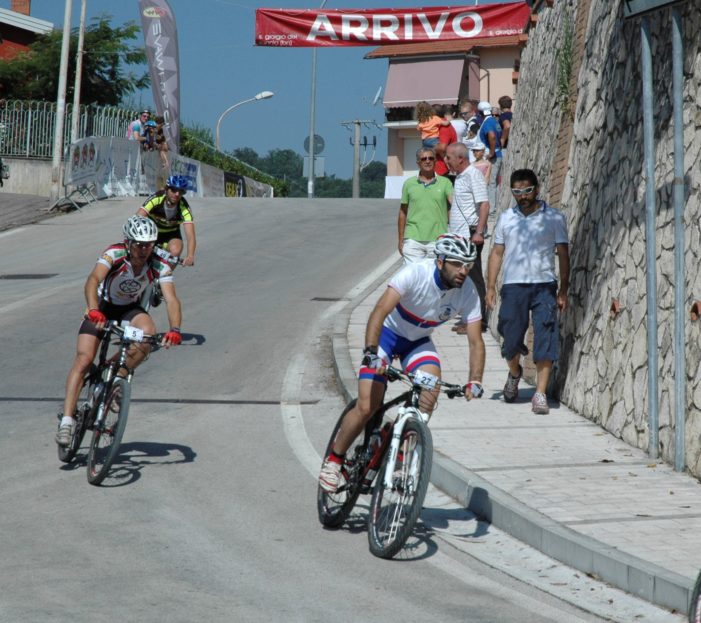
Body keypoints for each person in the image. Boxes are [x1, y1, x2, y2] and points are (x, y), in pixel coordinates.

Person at [319, 233, 486, 493]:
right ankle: (334, 460)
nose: (463, 271)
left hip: (417, 343)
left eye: (468, 265)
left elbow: (476, 341)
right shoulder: (415, 273)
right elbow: (378, 312)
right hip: (387, 335)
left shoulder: (468, 292)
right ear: (440, 261)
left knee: (430, 395)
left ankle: (399, 457)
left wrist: (475, 380)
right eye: (457, 263)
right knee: (367, 406)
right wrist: (372, 353)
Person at [55, 216, 183, 446]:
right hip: (102, 308)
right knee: (84, 360)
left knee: (147, 336)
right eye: (140, 244)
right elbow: (93, 280)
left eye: (150, 244)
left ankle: (116, 378)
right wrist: (94, 310)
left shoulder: (158, 265)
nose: (145, 250)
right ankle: (66, 421)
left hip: (128, 310)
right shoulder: (114, 254)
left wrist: (175, 329)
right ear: (129, 242)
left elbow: (171, 299)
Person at [485, 169, 570, 415]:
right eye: (517, 192)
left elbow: (563, 254)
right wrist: (490, 286)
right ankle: (515, 372)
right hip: (513, 286)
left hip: (544, 284)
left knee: (546, 336)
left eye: (527, 190)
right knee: (509, 340)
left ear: (537, 188)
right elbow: (497, 253)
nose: (522, 196)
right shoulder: (506, 218)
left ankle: (540, 394)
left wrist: (563, 289)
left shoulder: (554, 218)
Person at [444, 142, 490, 334]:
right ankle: (468, 319)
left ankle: (479, 324)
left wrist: (478, 233)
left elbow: (484, 205)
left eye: (448, 157)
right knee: (464, 280)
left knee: (474, 279)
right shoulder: (461, 176)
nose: (445, 161)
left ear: (460, 159)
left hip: (470, 237)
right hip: (461, 238)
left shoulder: (473, 175)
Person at [398, 148, 453, 263]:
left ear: (435, 161)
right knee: (413, 277)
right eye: (424, 159)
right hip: (413, 239)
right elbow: (403, 212)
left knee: (434, 278)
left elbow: (453, 206)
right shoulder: (409, 184)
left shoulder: (445, 182)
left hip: (438, 239)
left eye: (431, 158)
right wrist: (401, 239)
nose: (427, 161)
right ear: (418, 162)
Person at [138, 174, 196, 267]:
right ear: (166, 189)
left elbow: (191, 236)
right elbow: (137, 218)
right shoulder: (157, 198)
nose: (177, 194)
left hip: (171, 234)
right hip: (152, 231)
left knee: (176, 251)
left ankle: (163, 277)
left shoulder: (184, 208)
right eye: (173, 190)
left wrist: (190, 256)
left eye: (180, 191)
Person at [477, 101, 503, 214]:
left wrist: (491, 152)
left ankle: (492, 209)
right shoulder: (494, 121)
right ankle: (495, 207)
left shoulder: (487, 123)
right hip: (498, 154)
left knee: (491, 183)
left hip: (492, 156)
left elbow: (491, 136)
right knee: (496, 183)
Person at [434, 105, 458, 180]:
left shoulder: (443, 127)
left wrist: (429, 148)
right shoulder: (439, 125)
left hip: (442, 171)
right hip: (441, 169)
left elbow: (442, 147)